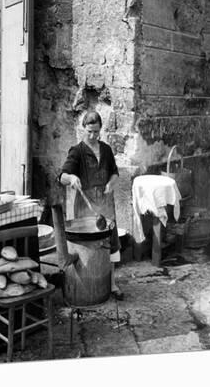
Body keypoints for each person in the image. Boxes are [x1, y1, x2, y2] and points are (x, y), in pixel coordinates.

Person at [59, 111, 124, 299]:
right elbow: (62, 176)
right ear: (83, 129)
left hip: (105, 203)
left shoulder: (106, 150)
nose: (93, 136)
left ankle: (111, 284)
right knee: (89, 248)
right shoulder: (77, 151)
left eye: (96, 132)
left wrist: (112, 182)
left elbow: (114, 172)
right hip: (85, 207)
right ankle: (87, 286)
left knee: (111, 243)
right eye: (89, 132)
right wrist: (71, 178)